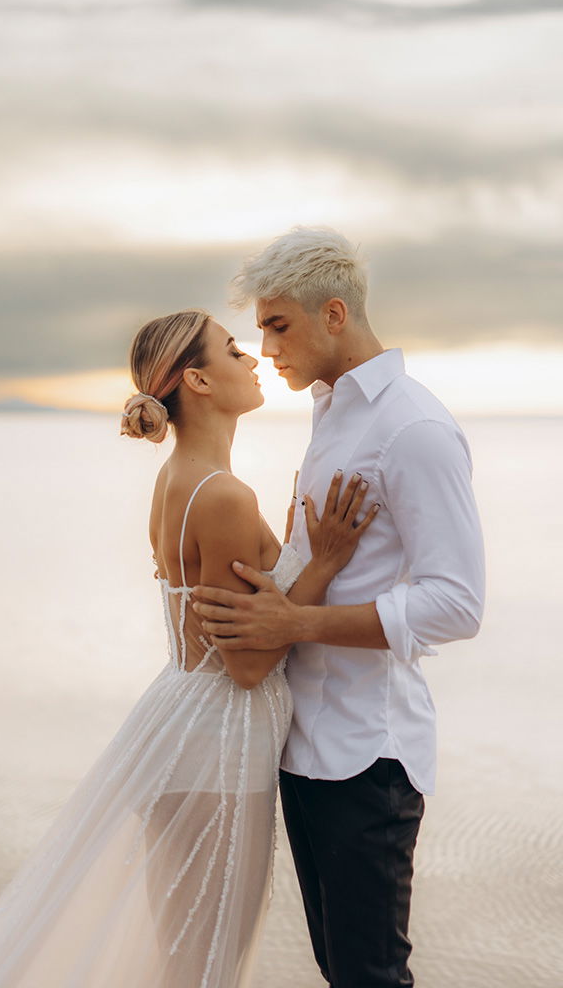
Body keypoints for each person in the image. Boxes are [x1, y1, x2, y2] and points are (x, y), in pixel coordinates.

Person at [0, 308, 380, 988]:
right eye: (232, 350)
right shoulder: (221, 496)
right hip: (214, 744)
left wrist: (279, 563)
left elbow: (229, 624)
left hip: (186, 729)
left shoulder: (181, 481)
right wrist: (324, 563)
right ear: (198, 380)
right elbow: (246, 665)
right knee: (205, 958)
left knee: (186, 952)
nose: (251, 358)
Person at [192, 227, 486, 988]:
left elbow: (457, 603)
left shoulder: (414, 428)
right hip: (303, 747)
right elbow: (326, 567)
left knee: (371, 975)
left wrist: (298, 622)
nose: (266, 346)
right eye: (258, 329)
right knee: (340, 969)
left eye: (277, 324)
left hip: (370, 754)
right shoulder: (332, 415)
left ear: (333, 315)